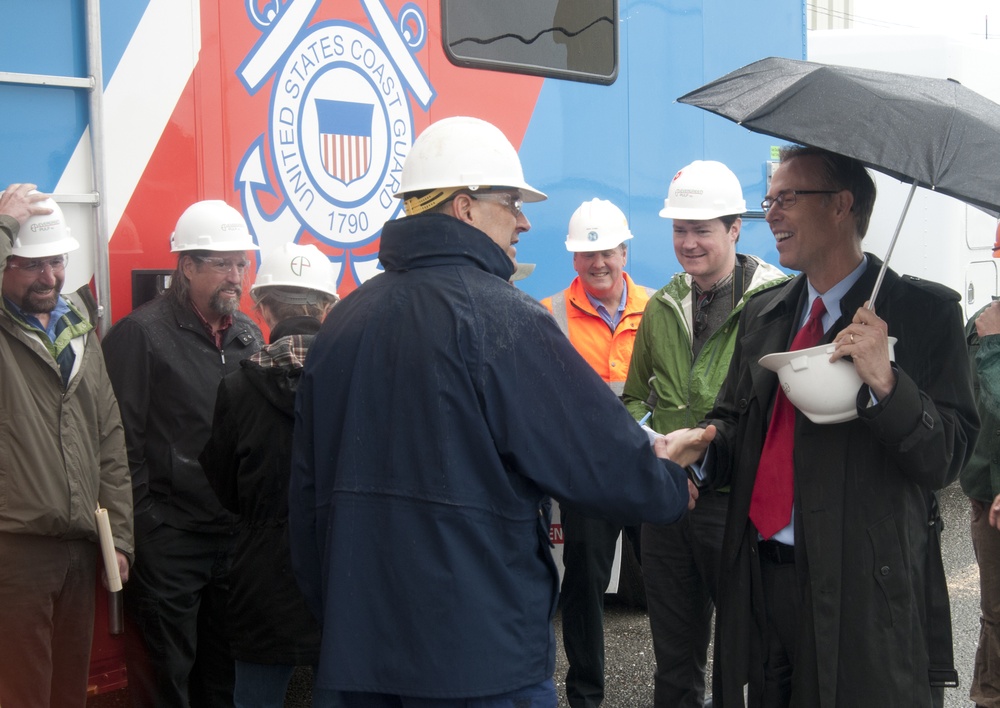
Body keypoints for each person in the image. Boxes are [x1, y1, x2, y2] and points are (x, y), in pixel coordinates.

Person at [288, 115, 702, 708]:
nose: (526, 221)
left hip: (357, 654)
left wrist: (337, 618)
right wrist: (666, 479)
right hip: (479, 658)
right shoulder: (502, 317)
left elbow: (305, 500)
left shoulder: (343, 323)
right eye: (511, 202)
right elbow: (586, 454)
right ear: (464, 208)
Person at [667, 146, 978, 708]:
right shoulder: (767, 314)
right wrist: (706, 446)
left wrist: (888, 383)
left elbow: (947, 456)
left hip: (861, 589)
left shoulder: (923, 315)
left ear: (841, 205)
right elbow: (737, 422)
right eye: (770, 199)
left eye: (787, 198)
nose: (773, 214)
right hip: (763, 578)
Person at [622, 160, 786, 708]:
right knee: (673, 663)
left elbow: (780, 417)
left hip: (735, 505)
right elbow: (633, 400)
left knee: (744, 661)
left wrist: (702, 462)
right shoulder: (662, 306)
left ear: (735, 229)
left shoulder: (775, 303)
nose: (688, 243)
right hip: (668, 505)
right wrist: (659, 457)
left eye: (702, 230)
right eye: (678, 230)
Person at [102, 199, 264, 707]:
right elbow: (118, 442)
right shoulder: (141, 335)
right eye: (221, 263)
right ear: (187, 266)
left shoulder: (247, 336)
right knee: (168, 677)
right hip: (171, 541)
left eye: (241, 262)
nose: (235, 276)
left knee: (224, 676)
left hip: (231, 539)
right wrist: (146, 527)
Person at [0, 184, 133, 708]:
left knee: (67, 696)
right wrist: (4, 224)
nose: (49, 277)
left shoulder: (76, 327)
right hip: (15, 550)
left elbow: (108, 434)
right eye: (31, 264)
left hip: (80, 549)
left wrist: (118, 537)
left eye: (55, 262)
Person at [199, 242, 339, 708]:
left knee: (256, 699)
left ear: (261, 307)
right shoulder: (357, 376)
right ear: (329, 305)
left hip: (262, 576)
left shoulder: (238, 386)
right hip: (342, 570)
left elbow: (223, 483)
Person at [539, 197, 652, 708]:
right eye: (588, 254)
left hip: (648, 468)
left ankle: (677, 691)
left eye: (608, 251)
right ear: (574, 260)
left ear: (625, 252)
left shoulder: (657, 310)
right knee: (584, 589)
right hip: (587, 477)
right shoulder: (549, 315)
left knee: (672, 588)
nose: (599, 263)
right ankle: (586, 696)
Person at [963, 300, 1000, 708]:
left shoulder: (990, 331)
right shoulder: (981, 321)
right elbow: (963, 397)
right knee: (995, 613)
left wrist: (994, 347)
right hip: (984, 490)